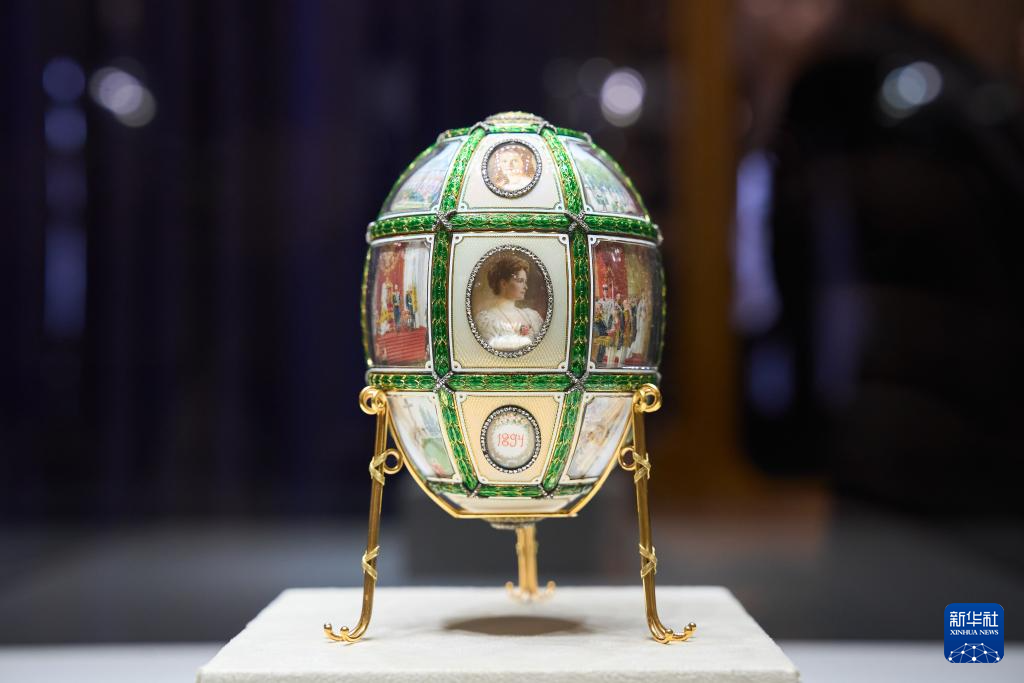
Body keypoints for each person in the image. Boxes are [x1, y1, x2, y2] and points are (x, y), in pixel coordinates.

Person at [473, 254, 544, 352]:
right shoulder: (486, 321)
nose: (525, 287)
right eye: (520, 281)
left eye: (525, 281)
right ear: (503, 284)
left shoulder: (532, 316)